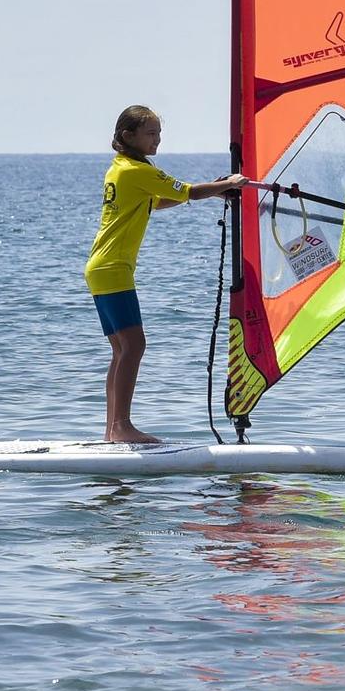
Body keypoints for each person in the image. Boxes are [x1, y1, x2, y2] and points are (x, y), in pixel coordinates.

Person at [84, 106, 242, 443]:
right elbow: (185, 190)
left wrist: (214, 189)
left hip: (102, 267)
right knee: (134, 345)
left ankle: (113, 429)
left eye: (159, 133)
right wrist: (227, 184)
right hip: (113, 269)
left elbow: (155, 201)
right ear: (128, 136)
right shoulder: (135, 171)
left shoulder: (122, 168)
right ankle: (122, 427)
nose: (158, 139)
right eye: (151, 133)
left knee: (122, 349)